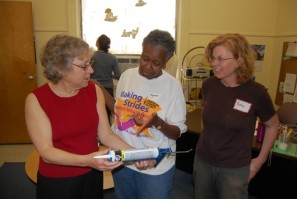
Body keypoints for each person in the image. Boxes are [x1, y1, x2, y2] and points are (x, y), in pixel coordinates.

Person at [24, 34, 153, 199]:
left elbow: (106, 135)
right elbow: (46, 152)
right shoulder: (36, 100)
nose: (91, 70)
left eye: (90, 63)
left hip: (92, 173)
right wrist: (87, 160)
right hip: (58, 180)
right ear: (60, 69)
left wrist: (136, 154)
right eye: (84, 66)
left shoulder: (93, 91)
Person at [193, 33, 279, 199]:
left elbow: (273, 125)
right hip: (203, 162)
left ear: (240, 60)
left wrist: (259, 161)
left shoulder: (257, 92)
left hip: (234, 169)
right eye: (212, 58)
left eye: (221, 59)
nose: (214, 64)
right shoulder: (209, 85)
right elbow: (209, 119)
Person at [111, 29, 187, 199]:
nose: (148, 66)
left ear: (166, 62)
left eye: (156, 63)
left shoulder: (172, 86)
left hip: (155, 166)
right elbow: (118, 113)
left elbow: (176, 133)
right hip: (124, 159)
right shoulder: (126, 76)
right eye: (145, 58)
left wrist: (157, 123)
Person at [91, 34, 121, 121]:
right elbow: (118, 75)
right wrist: (109, 74)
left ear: (97, 44)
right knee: (107, 117)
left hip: (94, 89)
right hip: (108, 91)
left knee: (95, 115)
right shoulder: (112, 58)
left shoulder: (92, 57)